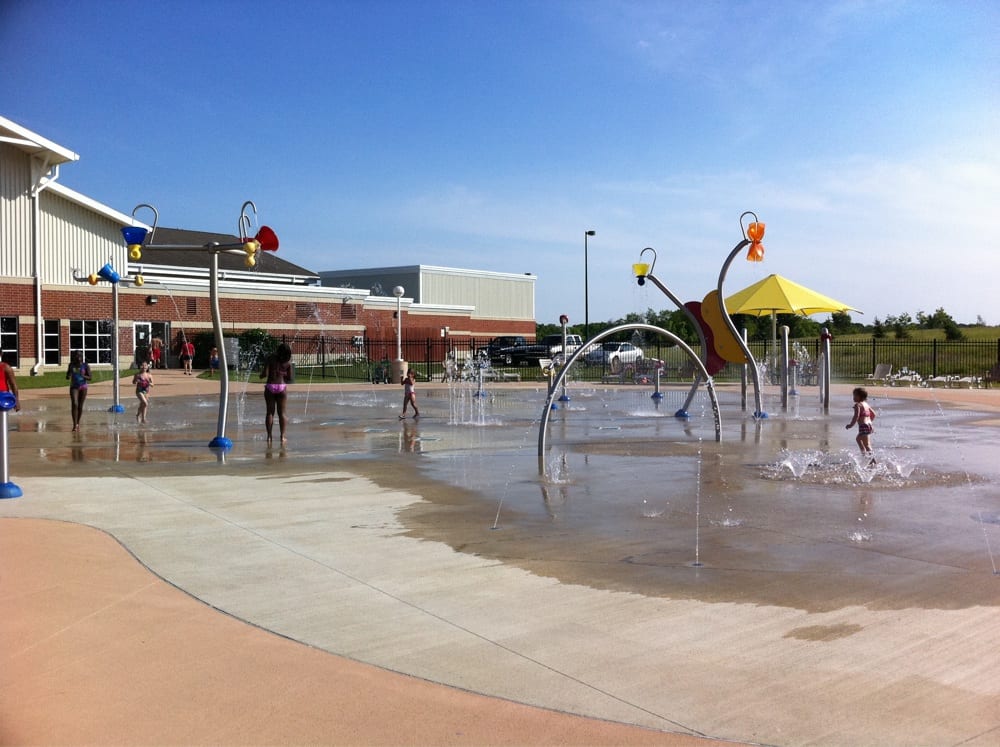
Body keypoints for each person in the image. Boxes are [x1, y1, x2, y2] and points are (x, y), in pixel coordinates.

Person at [261, 343, 294, 445]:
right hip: (281, 387)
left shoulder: (270, 358)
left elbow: (265, 374)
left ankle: (269, 436)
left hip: (270, 386)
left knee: (270, 412)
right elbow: (290, 378)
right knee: (282, 413)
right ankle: (282, 436)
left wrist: (261, 375)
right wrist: (283, 374)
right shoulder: (288, 362)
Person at [846, 386, 876, 465]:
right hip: (869, 425)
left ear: (860, 396)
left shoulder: (858, 405)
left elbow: (856, 416)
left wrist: (851, 425)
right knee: (859, 439)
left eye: (855, 395)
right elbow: (873, 414)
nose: (853, 397)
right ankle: (865, 455)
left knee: (867, 444)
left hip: (863, 426)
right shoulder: (866, 404)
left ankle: (871, 459)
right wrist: (869, 421)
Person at [66, 351, 91, 431]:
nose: (78, 357)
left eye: (79, 355)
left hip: (83, 387)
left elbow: (90, 377)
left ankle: (77, 423)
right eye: (76, 356)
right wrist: (69, 376)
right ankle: (74, 425)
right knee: (74, 403)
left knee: (80, 406)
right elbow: (67, 375)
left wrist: (83, 375)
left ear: (81, 357)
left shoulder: (85, 365)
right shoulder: (71, 365)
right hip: (74, 387)